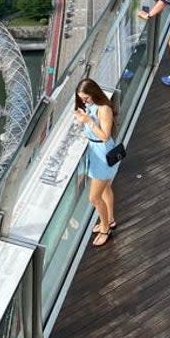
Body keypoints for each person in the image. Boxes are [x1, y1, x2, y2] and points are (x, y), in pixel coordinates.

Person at [74, 77, 118, 246]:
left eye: (86, 98)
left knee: (94, 198)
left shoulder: (103, 109)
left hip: (102, 153)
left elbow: (105, 136)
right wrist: (81, 121)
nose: (84, 101)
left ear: (93, 94)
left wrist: (89, 122)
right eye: (82, 98)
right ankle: (110, 219)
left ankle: (105, 228)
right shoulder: (90, 107)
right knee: (106, 188)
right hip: (95, 152)